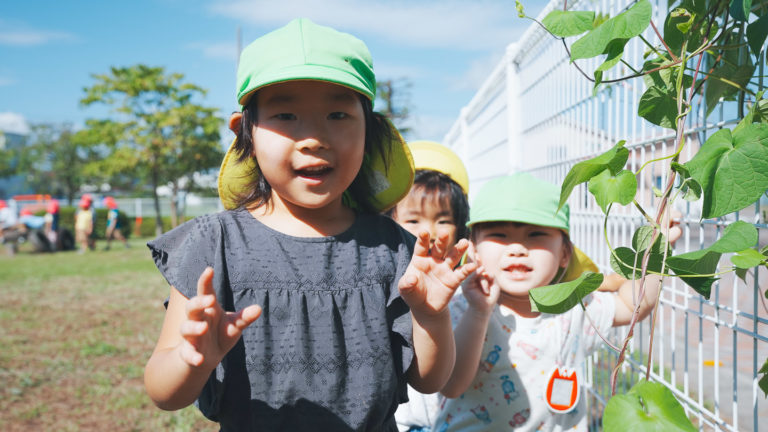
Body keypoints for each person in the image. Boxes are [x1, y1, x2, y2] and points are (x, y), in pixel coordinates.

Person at [144, 18, 477, 431]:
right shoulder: (215, 244)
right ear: (245, 131)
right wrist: (190, 359)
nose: (314, 137)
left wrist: (430, 316)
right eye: (286, 115)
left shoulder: (394, 248)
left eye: (338, 114)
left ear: (370, 132)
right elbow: (162, 392)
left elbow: (430, 380)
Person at [434, 173, 681, 431]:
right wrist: (479, 313)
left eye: (535, 234)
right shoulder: (462, 308)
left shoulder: (575, 307)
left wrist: (658, 246)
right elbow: (450, 385)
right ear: (474, 251)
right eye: (500, 234)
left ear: (564, 253)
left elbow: (634, 306)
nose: (517, 248)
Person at [388, 141, 469, 432]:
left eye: (443, 219)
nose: (429, 231)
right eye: (413, 219)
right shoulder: (380, 281)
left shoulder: (459, 285)